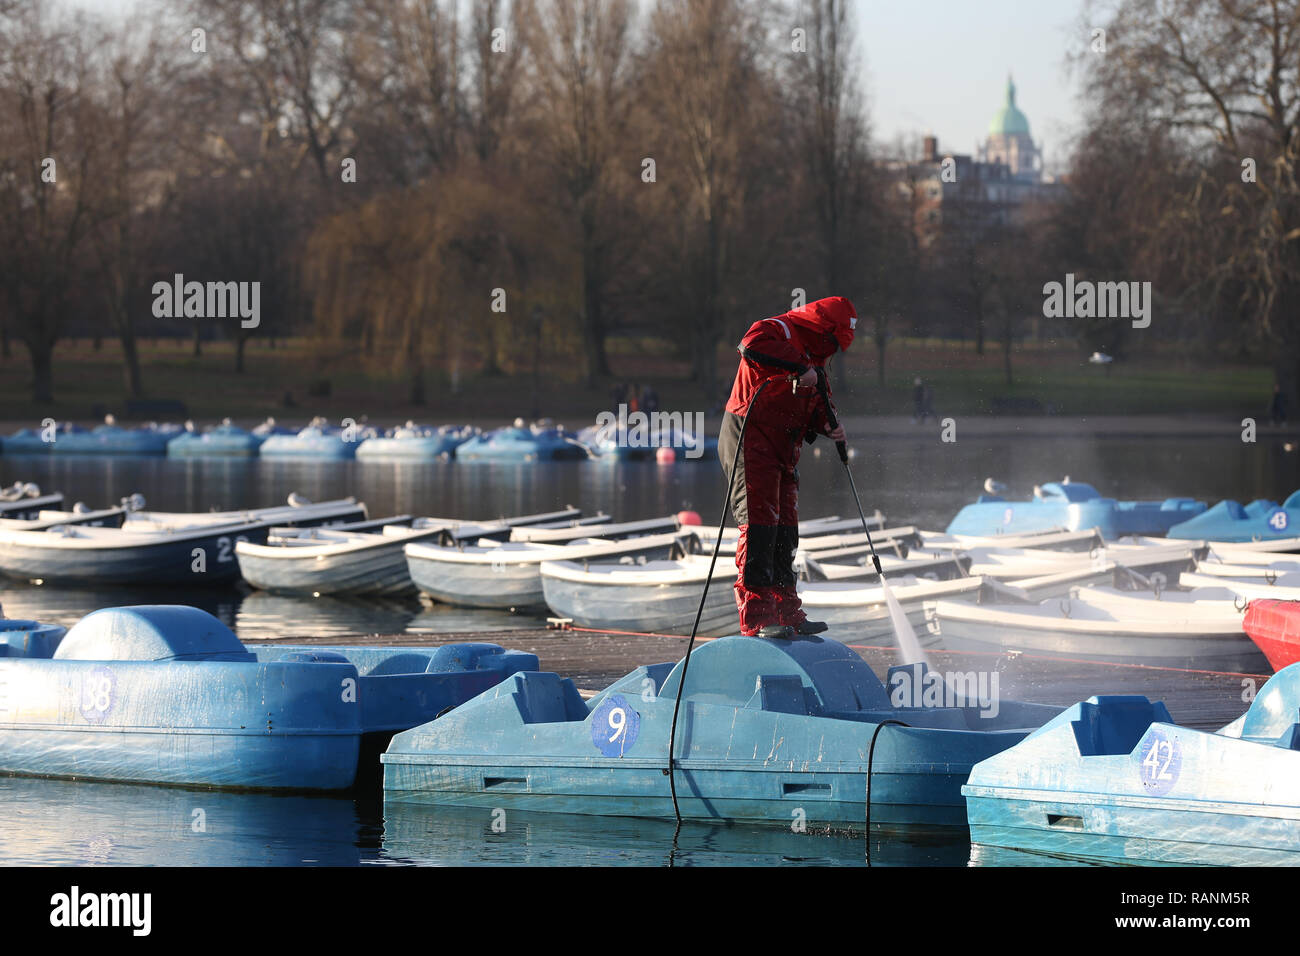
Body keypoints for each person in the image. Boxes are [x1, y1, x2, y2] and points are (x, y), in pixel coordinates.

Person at [719, 296, 856, 639]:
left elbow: (820, 399)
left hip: (783, 445)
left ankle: (787, 611)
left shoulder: (815, 361)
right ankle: (757, 617)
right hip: (748, 437)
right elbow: (750, 346)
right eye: (833, 342)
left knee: (786, 531)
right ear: (822, 330)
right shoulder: (777, 329)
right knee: (761, 525)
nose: (833, 352)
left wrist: (831, 428)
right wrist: (799, 367)